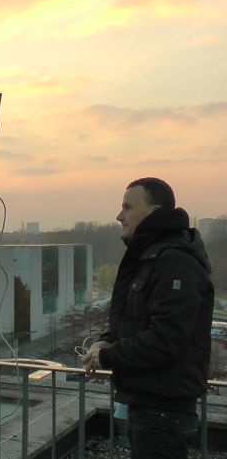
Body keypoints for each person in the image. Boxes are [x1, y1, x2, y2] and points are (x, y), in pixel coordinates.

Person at [83, 177, 213, 459]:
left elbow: (166, 338)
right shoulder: (153, 257)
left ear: (154, 213)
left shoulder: (174, 261)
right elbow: (135, 320)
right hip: (150, 406)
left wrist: (107, 357)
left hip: (163, 412)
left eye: (128, 207)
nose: (119, 216)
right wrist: (105, 342)